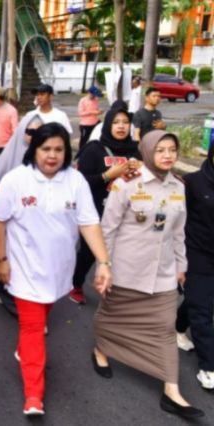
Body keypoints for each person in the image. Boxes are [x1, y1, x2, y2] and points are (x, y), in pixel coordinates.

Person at [0, 122, 112, 417]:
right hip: (24, 269)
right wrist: (1, 259)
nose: (52, 155)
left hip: (59, 270)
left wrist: (104, 262)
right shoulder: (16, 179)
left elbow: (88, 222)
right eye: (46, 149)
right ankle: (34, 395)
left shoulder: (76, 181)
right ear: (35, 149)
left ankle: (26, 350)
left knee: (44, 310)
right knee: (33, 329)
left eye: (59, 149)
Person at [94, 130, 204, 420]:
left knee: (166, 329)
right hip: (126, 270)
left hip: (163, 273)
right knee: (112, 315)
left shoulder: (178, 187)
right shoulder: (126, 184)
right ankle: (101, 350)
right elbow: (108, 229)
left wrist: (182, 266)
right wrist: (104, 266)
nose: (167, 155)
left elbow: (179, 232)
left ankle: (172, 391)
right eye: (160, 150)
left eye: (172, 150)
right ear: (147, 151)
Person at [70, 105, 141, 304]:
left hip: (127, 212)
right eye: (116, 122)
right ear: (108, 124)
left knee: (120, 253)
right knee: (89, 253)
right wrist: (107, 175)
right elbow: (79, 182)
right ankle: (75, 284)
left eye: (125, 122)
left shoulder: (136, 151)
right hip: (96, 211)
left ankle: (111, 287)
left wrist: (143, 169)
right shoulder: (93, 149)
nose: (121, 126)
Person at [0, 112, 44, 313]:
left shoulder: (47, 156)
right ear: (21, 132)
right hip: (9, 221)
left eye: (40, 131)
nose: (35, 136)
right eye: (30, 131)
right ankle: (7, 294)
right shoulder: (9, 156)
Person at [181, 139, 214, 390]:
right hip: (197, 252)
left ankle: (177, 327)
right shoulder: (193, 182)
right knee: (203, 312)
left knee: (200, 300)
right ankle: (208, 367)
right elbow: (179, 219)